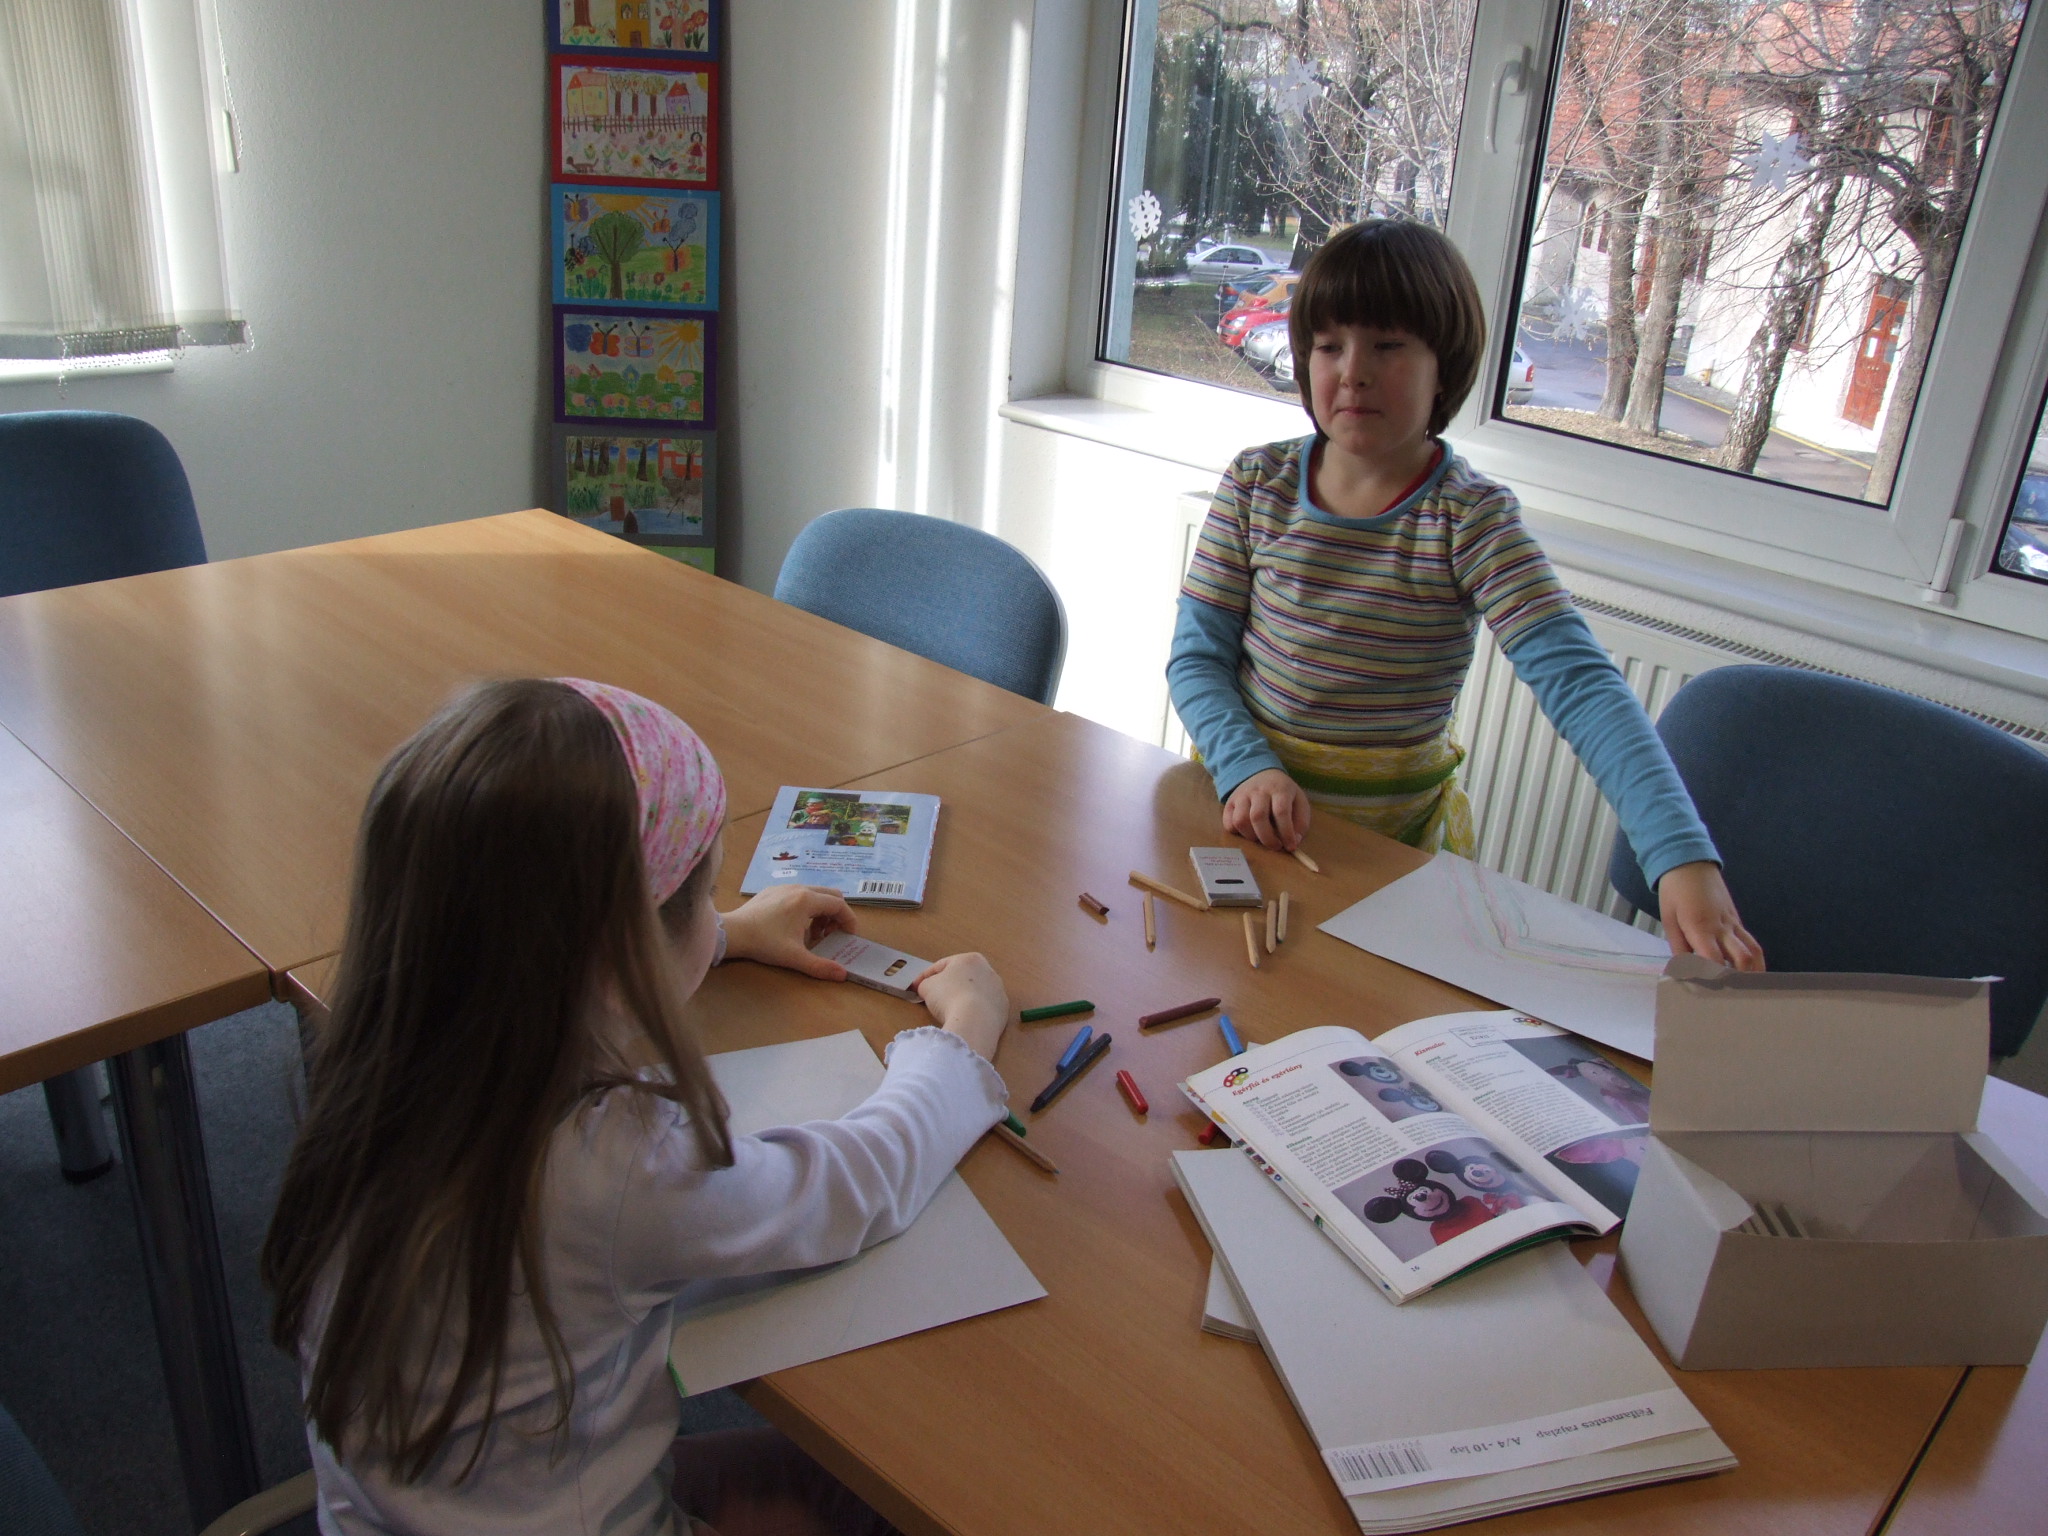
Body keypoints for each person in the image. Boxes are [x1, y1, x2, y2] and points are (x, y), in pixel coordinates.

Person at [262, 677, 1012, 1536]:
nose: (712, 911)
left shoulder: (376, 1063)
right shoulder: (617, 1161)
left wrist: (722, 932)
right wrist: (960, 1038)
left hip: (401, 1517)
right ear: (624, 952)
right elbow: (854, 1186)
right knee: (889, 1502)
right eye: (702, 893)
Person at [1167, 219, 1763, 969]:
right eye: (1328, 346)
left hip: (1391, 853)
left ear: (1443, 369)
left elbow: (1583, 686)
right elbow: (1196, 660)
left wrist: (1679, 856)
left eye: (1387, 346)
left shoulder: (1470, 518)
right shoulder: (1257, 483)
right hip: (1244, 813)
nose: (1353, 371)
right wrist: (1248, 766)